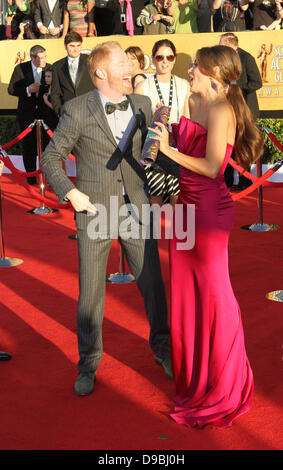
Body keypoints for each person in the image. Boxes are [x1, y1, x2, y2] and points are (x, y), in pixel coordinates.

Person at [41, 41, 172, 397]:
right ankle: (88, 363)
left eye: (130, 61)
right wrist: (71, 193)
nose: (131, 65)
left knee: (153, 287)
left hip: (137, 209)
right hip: (94, 211)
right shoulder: (76, 109)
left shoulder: (143, 105)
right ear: (101, 72)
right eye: (122, 62)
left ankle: (165, 351)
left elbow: (157, 155)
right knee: (91, 296)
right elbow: (51, 159)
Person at [149, 45, 263, 428]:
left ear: (214, 73)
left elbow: (214, 167)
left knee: (215, 296)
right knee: (185, 295)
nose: (190, 70)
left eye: (195, 66)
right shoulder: (193, 100)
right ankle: (196, 379)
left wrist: (169, 149)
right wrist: (166, 134)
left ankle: (226, 383)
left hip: (210, 214)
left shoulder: (221, 109)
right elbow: (185, 147)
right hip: (184, 207)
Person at [135, 39, 190, 206]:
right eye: (160, 57)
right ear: (152, 59)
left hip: (177, 149)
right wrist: (156, 117)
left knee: (177, 198)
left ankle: (177, 233)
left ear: (174, 59)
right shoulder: (143, 86)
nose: (165, 62)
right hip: (153, 151)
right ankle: (155, 232)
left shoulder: (184, 85)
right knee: (155, 197)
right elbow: (138, 125)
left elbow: (187, 119)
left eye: (169, 57)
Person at [219, 32, 262, 189]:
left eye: (221, 44)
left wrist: (236, 88)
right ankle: (228, 180)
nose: (218, 47)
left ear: (230, 45)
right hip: (228, 109)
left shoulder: (246, 58)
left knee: (243, 146)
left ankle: (245, 181)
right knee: (228, 144)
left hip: (246, 110)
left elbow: (257, 83)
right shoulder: (223, 60)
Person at [8, 45, 50, 185]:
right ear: (32, 58)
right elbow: (11, 89)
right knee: (29, 146)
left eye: (45, 56)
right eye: (41, 57)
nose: (45, 59)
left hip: (46, 113)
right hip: (27, 113)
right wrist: (28, 89)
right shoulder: (20, 69)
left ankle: (49, 176)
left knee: (47, 145)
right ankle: (31, 176)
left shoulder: (50, 68)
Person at [50, 32, 95, 116]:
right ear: (65, 46)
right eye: (72, 46)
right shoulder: (57, 66)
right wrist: (60, 112)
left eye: (78, 45)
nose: (76, 49)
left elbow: (98, 86)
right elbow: (54, 93)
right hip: (68, 113)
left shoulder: (90, 61)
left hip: (90, 111)